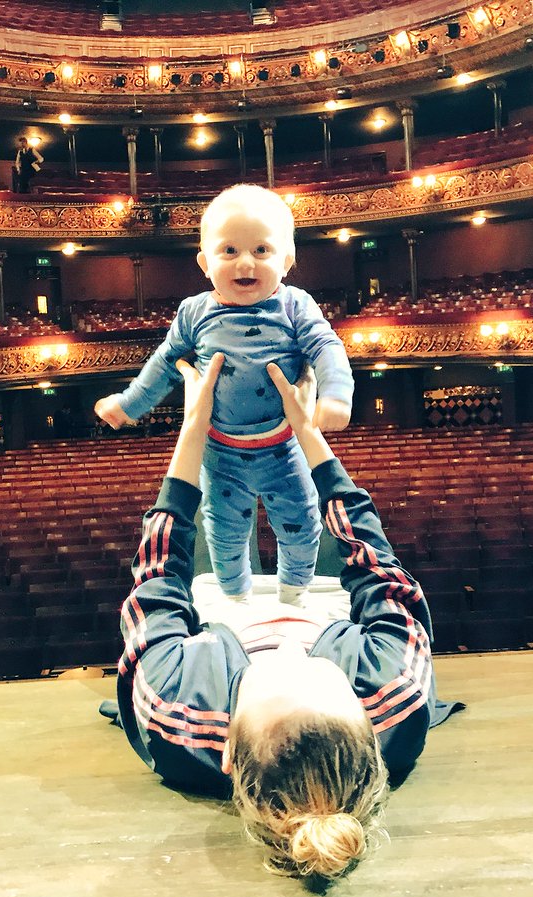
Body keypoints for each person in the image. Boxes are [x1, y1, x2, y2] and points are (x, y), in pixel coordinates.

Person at [111, 354, 463, 880]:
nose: (291, 650)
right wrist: (305, 431)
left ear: (228, 750)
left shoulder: (174, 710)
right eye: (319, 670)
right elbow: (378, 569)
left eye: (277, 673)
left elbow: (157, 578)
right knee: (317, 511)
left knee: (213, 507)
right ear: (373, 730)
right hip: (324, 606)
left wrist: (194, 428)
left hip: (219, 615)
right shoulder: (397, 696)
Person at [95, 184, 353, 606]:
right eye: (229, 251)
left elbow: (326, 347)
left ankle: (292, 595)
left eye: (262, 251)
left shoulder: (295, 305)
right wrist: (129, 404)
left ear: (287, 261)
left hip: (283, 448)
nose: (245, 262)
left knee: (302, 524)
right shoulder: (194, 312)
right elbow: (165, 363)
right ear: (204, 262)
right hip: (221, 452)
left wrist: (337, 395)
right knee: (224, 530)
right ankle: (236, 601)